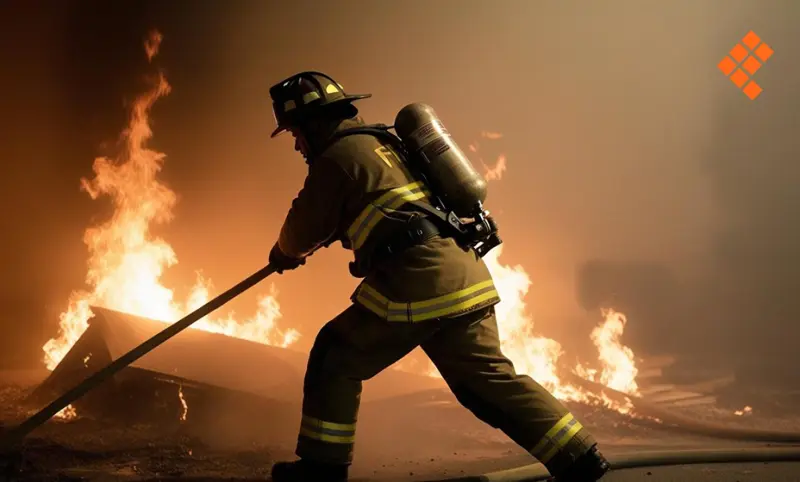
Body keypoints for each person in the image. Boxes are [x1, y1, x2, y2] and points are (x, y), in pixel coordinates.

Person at [266, 71, 610, 482]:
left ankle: (322, 469)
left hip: (418, 281)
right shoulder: (385, 144)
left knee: (335, 354)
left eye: (296, 134)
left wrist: (283, 254)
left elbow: (301, 230)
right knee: (488, 381)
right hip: (463, 273)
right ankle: (579, 457)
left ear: (314, 123)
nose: (298, 146)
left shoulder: (337, 159)